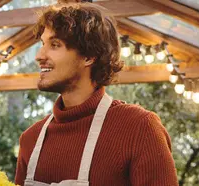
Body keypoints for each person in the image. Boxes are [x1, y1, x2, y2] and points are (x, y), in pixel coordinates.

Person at [14, 2, 178, 186]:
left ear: (89, 56)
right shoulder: (30, 139)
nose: (39, 55)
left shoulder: (139, 128)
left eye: (55, 44)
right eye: (42, 43)